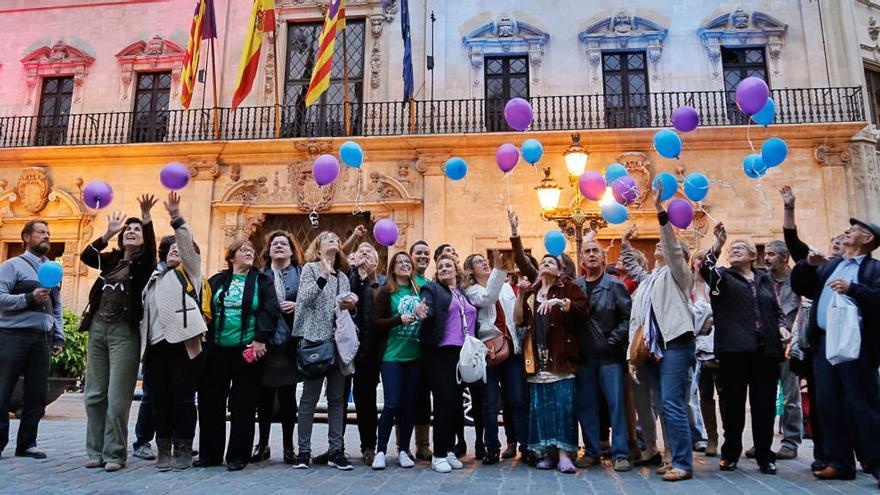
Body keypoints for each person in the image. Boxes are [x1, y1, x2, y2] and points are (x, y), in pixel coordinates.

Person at [791, 218, 880, 489]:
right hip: (825, 344)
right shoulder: (832, 265)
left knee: (863, 404)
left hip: (857, 345)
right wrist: (808, 264)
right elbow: (802, 287)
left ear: (866, 239)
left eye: (853, 230)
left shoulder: (874, 269)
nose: (847, 232)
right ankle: (839, 462)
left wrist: (853, 289)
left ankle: (877, 464)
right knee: (829, 404)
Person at [701, 224, 787, 475]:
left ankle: (764, 455)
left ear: (752, 255)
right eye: (733, 249)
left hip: (766, 350)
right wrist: (718, 244)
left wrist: (782, 327)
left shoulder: (764, 278)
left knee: (764, 406)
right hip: (734, 350)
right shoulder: (722, 277)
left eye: (741, 248)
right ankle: (730, 453)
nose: (735, 251)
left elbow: (776, 309)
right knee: (733, 405)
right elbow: (704, 268)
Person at [623, 184, 696, 482]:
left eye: (664, 248)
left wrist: (660, 211)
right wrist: (625, 241)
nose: (658, 248)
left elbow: (670, 243)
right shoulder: (649, 279)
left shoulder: (679, 275)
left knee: (671, 402)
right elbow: (630, 266)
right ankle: (671, 455)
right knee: (661, 403)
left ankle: (682, 462)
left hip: (675, 343)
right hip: (652, 349)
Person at [81, 195, 157, 472]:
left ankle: (114, 453)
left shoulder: (143, 264)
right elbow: (86, 255)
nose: (131, 231)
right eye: (128, 229)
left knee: (117, 397)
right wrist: (108, 232)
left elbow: (151, 253)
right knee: (94, 394)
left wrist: (146, 218)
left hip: (124, 333)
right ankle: (95, 450)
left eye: (136, 230)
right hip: (97, 329)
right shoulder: (110, 259)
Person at [196, 240, 278, 471]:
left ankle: (237, 455)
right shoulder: (217, 281)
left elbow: (270, 311)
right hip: (216, 349)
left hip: (246, 350)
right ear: (231, 257)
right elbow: (204, 307)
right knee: (210, 402)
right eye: (243, 250)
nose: (249, 253)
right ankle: (210, 454)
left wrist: (261, 338)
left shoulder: (262, 280)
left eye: (251, 250)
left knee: (244, 404)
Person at [140, 192, 208, 471]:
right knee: (159, 399)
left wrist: (176, 218)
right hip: (156, 346)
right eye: (170, 250)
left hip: (183, 345)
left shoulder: (190, 274)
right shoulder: (153, 278)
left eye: (179, 250)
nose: (175, 252)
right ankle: (163, 448)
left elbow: (187, 248)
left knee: (182, 398)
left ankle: (183, 447)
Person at [779, 185, 841, 472]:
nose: (838, 243)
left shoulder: (866, 270)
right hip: (821, 343)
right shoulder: (822, 267)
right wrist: (789, 207)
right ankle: (825, 454)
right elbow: (792, 242)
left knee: (859, 399)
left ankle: (867, 455)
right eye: (836, 241)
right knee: (820, 401)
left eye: (843, 240)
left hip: (855, 344)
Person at [515, 254, 588, 473]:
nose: (546, 264)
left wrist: (561, 302)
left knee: (563, 407)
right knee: (541, 408)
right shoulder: (531, 293)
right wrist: (520, 294)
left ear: (559, 271)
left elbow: (583, 310)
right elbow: (519, 320)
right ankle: (548, 453)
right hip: (536, 358)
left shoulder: (569, 288)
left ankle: (565, 454)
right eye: (543, 262)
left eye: (551, 263)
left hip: (561, 357)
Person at [291, 231, 356, 471]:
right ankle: (304, 452)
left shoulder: (343, 277)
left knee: (337, 399)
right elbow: (305, 300)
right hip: (314, 341)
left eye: (336, 239)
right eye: (328, 238)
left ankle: (336, 450)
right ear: (318, 248)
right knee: (309, 398)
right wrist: (323, 275)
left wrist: (351, 307)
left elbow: (345, 309)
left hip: (338, 343)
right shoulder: (309, 269)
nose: (333, 241)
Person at [0, 220, 64, 460]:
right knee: (2, 391)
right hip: (11, 336)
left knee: (36, 394)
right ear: (26, 237)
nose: (46, 236)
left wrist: (59, 335)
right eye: (41, 232)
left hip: (41, 339)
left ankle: (27, 443)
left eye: (48, 232)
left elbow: (56, 306)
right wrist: (28, 298)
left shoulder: (53, 269)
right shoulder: (12, 266)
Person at [462, 251, 527, 466]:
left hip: (511, 349)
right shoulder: (471, 291)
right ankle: (492, 448)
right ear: (471, 270)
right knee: (490, 403)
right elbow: (488, 296)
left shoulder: (506, 287)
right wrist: (499, 268)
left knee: (517, 400)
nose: (485, 263)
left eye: (485, 260)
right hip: (488, 352)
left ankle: (525, 447)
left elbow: (513, 318)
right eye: (479, 262)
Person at [573, 240, 633, 471]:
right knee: (586, 405)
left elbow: (628, 318)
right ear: (581, 259)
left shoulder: (615, 285)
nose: (591, 255)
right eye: (586, 252)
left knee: (615, 406)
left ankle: (621, 454)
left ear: (603, 258)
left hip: (609, 358)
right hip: (584, 358)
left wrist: (611, 342)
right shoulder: (575, 287)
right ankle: (591, 452)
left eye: (595, 251)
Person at [417, 254, 474, 473]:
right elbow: (427, 306)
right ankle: (438, 454)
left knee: (455, 403)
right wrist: (421, 310)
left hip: (461, 353)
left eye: (448, 265)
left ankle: (449, 449)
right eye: (440, 266)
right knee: (444, 401)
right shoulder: (432, 289)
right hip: (440, 352)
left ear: (457, 270)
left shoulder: (461, 293)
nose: (443, 268)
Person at [252, 230, 300, 465]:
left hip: (290, 345)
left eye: (284, 243)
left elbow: (312, 302)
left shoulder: (300, 275)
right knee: (264, 398)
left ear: (292, 250)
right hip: (265, 344)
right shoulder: (260, 275)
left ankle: (289, 447)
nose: (279, 246)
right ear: (268, 250)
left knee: (288, 399)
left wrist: (298, 304)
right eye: (274, 244)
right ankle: (262, 444)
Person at [372, 251, 422, 470]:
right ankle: (380, 451)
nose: (404, 264)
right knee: (392, 404)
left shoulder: (420, 290)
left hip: (415, 355)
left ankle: (403, 450)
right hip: (392, 355)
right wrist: (398, 320)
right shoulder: (386, 292)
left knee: (409, 405)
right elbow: (375, 323)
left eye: (407, 262)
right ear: (392, 269)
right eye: (400, 262)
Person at [761, 240, 802, 461]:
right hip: (766, 345)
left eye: (772, 254)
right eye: (765, 254)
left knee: (790, 396)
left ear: (785, 258)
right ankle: (763, 442)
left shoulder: (796, 280)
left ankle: (790, 442)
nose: (766, 258)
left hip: (788, 345)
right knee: (765, 396)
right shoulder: (762, 279)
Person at [348, 241, 385, 466]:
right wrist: (354, 272)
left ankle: (369, 446)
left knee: (366, 400)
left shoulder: (382, 281)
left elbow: (382, 306)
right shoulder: (347, 278)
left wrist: (370, 278)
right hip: (344, 349)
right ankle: (336, 447)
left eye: (369, 251)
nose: (364, 253)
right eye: (360, 251)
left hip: (370, 350)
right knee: (338, 399)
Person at [691, 251, 720, 458]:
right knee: (704, 393)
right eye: (697, 259)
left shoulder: (716, 284)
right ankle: (710, 437)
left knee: (725, 393)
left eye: (704, 259)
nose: (700, 263)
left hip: (716, 343)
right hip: (694, 345)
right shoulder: (687, 285)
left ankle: (728, 436)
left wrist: (711, 320)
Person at [408, 240, 433, 461]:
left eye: (426, 253)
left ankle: (423, 445)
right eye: (418, 253)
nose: (423, 256)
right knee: (405, 399)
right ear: (410, 256)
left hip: (425, 349)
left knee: (424, 399)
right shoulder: (403, 282)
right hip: (404, 347)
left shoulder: (429, 283)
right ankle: (402, 445)